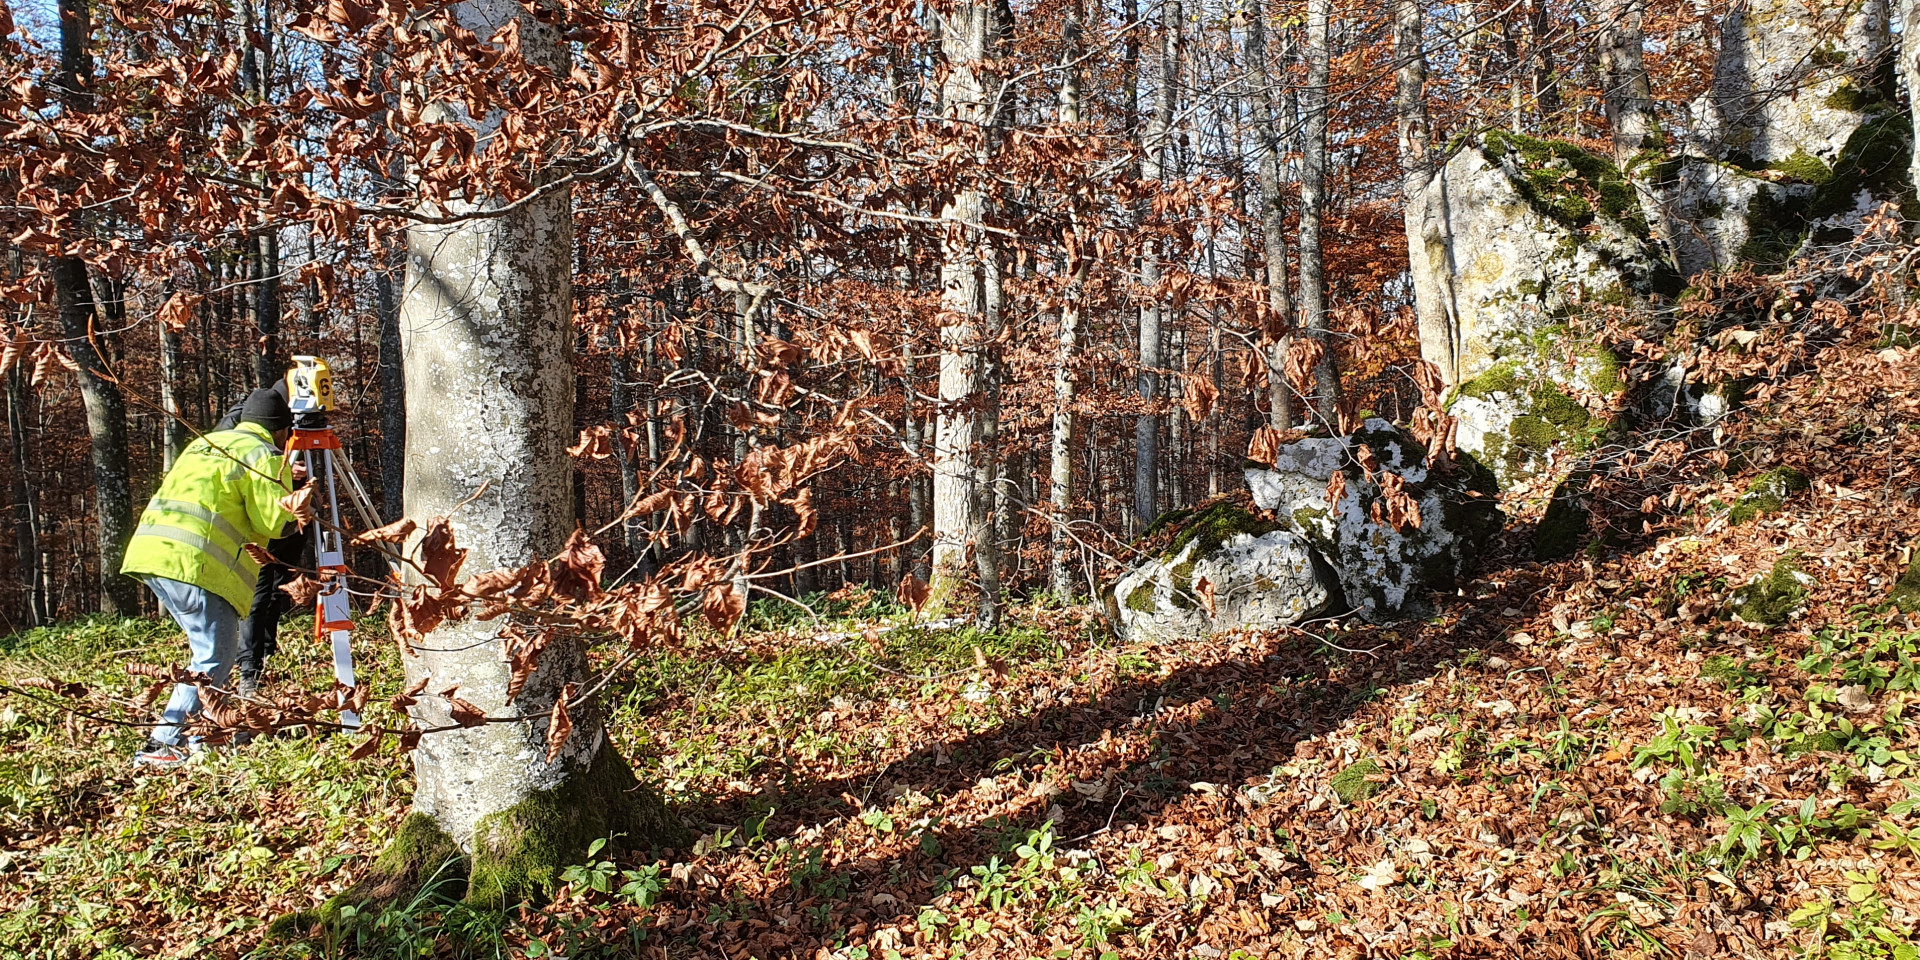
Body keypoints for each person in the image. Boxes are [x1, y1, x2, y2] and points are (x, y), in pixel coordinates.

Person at [121, 387, 307, 767]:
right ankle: (164, 743)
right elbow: (272, 522)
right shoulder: (265, 455)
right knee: (214, 655)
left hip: (155, 552)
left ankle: (199, 732)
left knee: (207, 651)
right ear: (281, 431)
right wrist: (295, 493)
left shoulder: (208, 443)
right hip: (196, 564)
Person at [212, 379, 306, 696]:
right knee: (259, 589)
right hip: (254, 519)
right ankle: (248, 671)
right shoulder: (245, 421)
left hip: (280, 510)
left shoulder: (277, 418)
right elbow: (228, 466)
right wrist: (281, 473)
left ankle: (265, 652)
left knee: (277, 584)